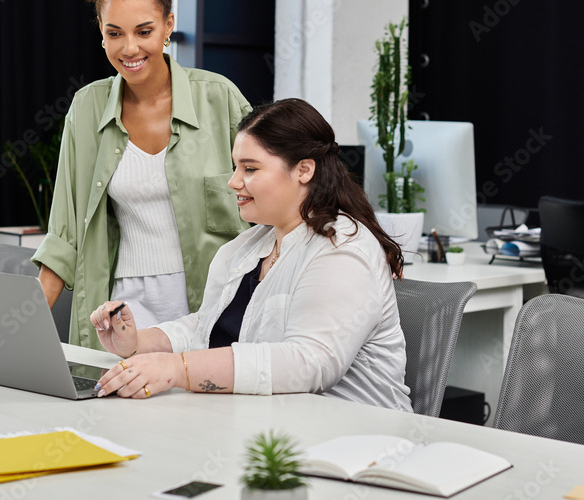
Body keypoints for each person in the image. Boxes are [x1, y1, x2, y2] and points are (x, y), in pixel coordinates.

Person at [89, 98, 411, 412]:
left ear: (303, 170)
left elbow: (309, 362)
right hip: (264, 424)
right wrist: (136, 344)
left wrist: (177, 368)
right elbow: (206, 326)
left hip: (355, 436)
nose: (233, 182)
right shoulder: (248, 247)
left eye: (250, 168)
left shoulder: (342, 249)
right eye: (235, 167)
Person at [33, 0, 251, 349]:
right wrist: (10, 338)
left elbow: (281, 195)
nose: (129, 48)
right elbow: (64, 237)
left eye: (144, 31)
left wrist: (356, 243)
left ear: (169, 24)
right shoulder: (87, 108)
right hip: (122, 313)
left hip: (212, 310)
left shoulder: (219, 99)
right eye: (114, 33)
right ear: (99, 28)